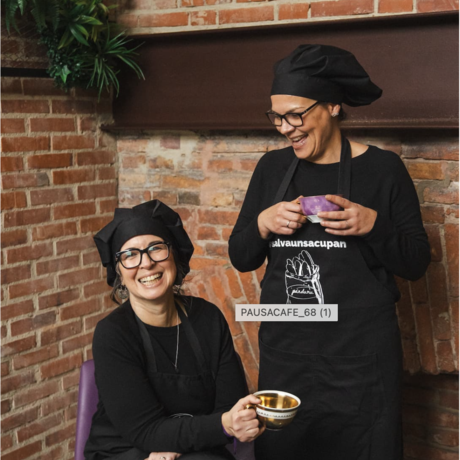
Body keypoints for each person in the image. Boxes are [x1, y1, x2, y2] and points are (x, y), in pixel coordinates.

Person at [229, 44, 431, 460]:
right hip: (287, 354)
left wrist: (373, 225)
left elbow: (416, 263)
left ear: (333, 106)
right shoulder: (271, 169)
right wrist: (263, 223)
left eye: (295, 115)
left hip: (361, 357)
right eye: (277, 117)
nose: (285, 128)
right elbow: (241, 257)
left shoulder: (384, 169)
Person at [85, 200, 263, 460]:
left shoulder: (209, 318)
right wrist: (223, 425)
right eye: (130, 255)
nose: (146, 263)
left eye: (156, 248)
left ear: (174, 256)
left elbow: (230, 406)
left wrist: (229, 423)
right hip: (127, 451)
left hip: (197, 448)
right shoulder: (113, 334)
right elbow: (145, 430)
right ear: (119, 273)